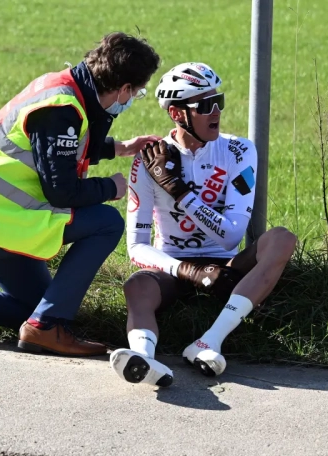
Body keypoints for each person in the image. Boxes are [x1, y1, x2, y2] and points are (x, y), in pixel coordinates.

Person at [0, 32, 162, 357]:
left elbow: (58, 149)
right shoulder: (61, 108)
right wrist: (111, 188)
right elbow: (62, 190)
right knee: (107, 222)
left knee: (41, 305)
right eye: (138, 92)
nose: (133, 99)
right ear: (124, 90)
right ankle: (47, 329)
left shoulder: (63, 88)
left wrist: (120, 148)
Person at [110, 62, 297, 386]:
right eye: (204, 105)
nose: (216, 112)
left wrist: (178, 191)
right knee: (136, 286)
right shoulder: (148, 159)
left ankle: (209, 342)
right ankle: (144, 358)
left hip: (224, 262)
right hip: (173, 265)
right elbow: (136, 246)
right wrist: (187, 271)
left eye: (218, 102)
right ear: (177, 114)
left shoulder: (238, 150)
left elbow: (231, 236)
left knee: (281, 238)